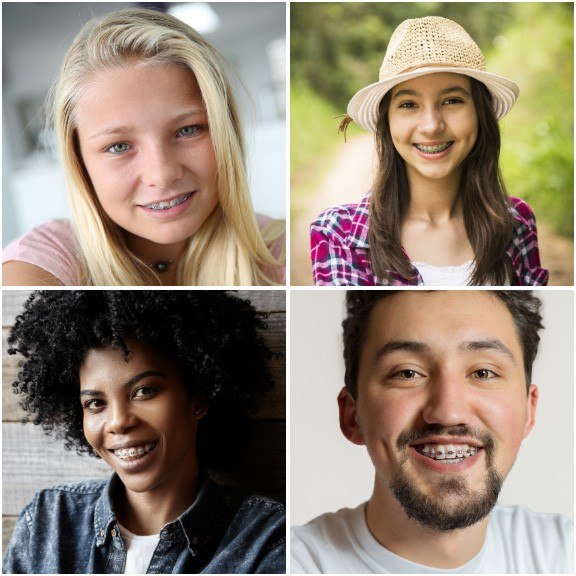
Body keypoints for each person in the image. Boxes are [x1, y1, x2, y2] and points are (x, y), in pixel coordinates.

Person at [3, 290, 285, 574]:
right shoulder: (48, 519)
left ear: (198, 397)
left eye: (144, 391)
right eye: (96, 403)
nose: (118, 422)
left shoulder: (267, 540)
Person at [291, 290, 573, 573]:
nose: (448, 412)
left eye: (483, 373)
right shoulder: (291, 563)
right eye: (407, 373)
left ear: (529, 410)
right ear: (352, 415)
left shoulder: (564, 554)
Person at [3, 8, 285, 286]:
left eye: (187, 130)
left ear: (227, 132)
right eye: (118, 146)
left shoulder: (285, 253)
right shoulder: (45, 261)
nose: (161, 175)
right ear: (79, 160)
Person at [310, 16, 548, 286]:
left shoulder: (516, 222)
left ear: (480, 114)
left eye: (452, 100)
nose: (432, 125)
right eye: (409, 104)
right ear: (388, 121)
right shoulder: (339, 233)